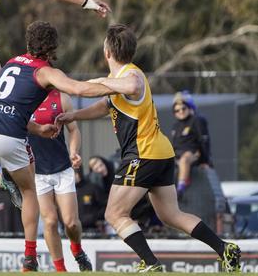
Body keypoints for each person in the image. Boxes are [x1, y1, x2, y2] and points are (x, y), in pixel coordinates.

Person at [55, 24, 241, 272]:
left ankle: (151, 263)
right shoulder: (118, 83)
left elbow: (132, 86)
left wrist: (99, 82)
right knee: (170, 215)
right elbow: (106, 105)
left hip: (142, 154)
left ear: (107, 51)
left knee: (114, 214)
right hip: (160, 152)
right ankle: (224, 249)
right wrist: (74, 115)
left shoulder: (132, 75)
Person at [0, 21, 117, 272]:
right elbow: (79, 88)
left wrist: (37, 129)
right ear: (52, 48)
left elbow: (10, 109)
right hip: (11, 138)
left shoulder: (12, 63)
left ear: (28, 43)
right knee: (29, 193)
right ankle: (29, 256)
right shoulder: (46, 72)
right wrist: (118, 85)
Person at [27, 89, 92, 272]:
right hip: (37, 172)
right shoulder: (25, 96)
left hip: (62, 168)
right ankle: (60, 270)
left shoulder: (61, 98)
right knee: (50, 221)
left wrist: (73, 152)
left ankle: (77, 250)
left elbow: (73, 130)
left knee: (71, 222)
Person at [171, 92, 210, 199]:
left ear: (189, 107)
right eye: (177, 110)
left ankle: (181, 189)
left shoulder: (197, 120)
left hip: (191, 153)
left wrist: (205, 161)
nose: (181, 112)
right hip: (176, 155)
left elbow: (204, 140)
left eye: (183, 108)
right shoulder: (176, 125)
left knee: (184, 159)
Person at [0, 170, 24, 236]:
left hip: (21, 238)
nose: (2, 177)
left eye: (4, 174)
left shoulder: (20, 194)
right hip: (2, 240)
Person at [74, 166, 107, 233]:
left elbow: (105, 206)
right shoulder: (67, 192)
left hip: (92, 229)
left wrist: (94, 218)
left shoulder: (93, 188)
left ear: (78, 174)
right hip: (72, 230)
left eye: (72, 174)